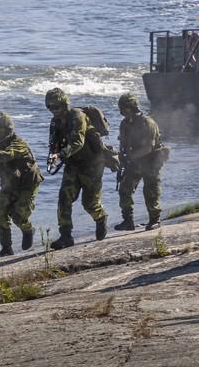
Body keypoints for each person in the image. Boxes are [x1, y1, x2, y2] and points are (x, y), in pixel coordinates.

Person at [45, 87, 110, 248]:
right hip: (73, 164)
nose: (54, 111)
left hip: (92, 164)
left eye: (57, 107)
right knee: (64, 199)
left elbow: (77, 142)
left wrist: (60, 155)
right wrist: (53, 155)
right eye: (50, 108)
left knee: (89, 203)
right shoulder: (55, 122)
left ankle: (101, 218)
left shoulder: (77, 116)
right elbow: (54, 143)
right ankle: (66, 236)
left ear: (64, 104)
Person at [0, 112, 43, 258]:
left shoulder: (19, 143)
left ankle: (28, 230)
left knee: (18, 216)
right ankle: (6, 248)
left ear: (9, 129)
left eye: (0, 130)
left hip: (26, 184)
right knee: (1, 216)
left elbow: (7, 154)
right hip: (9, 183)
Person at [115, 93, 166, 231]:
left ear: (130, 108)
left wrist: (130, 157)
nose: (122, 112)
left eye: (124, 108)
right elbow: (123, 144)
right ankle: (128, 220)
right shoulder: (124, 124)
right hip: (134, 162)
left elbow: (148, 147)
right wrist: (122, 159)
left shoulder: (147, 123)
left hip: (150, 161)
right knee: (124, 189)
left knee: (150, 191)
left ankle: (155, 219)